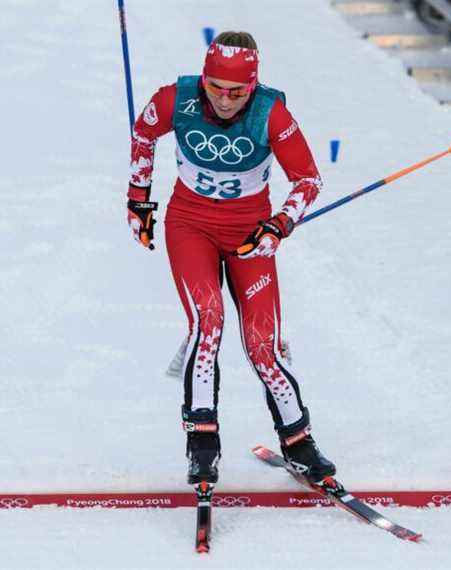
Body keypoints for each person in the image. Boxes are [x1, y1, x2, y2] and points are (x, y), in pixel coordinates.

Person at [126, 31, 336, 487]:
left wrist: (280, 223)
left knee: (263, 346)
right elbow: (143, 132)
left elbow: (308, 180)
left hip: (248, 234)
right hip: (190, 227)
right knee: (208, 323)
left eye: (237, 91)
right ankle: (202, 443)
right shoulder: (175, 99)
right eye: (215, 87)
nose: (224, 100)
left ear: (253, 86)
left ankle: (299, 444)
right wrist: (137, 200)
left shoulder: (270, 112)